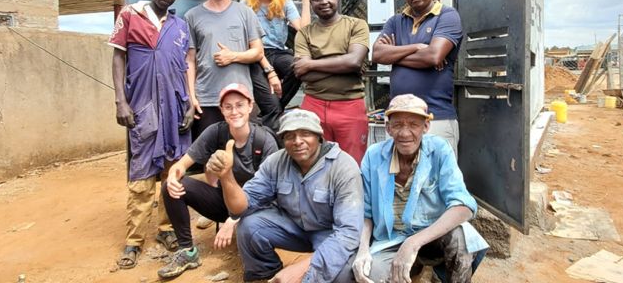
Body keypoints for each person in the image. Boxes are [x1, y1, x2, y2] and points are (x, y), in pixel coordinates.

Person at [345, 94, 488, 283]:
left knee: (460, 237)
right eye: (397, 125)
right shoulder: (373, 156)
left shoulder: (440, 150)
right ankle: (412, 268)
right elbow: (366, 213)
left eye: (413, 124)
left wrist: (413, 242)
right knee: (369, 276)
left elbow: (463, 206)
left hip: (432, 238)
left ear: (425, 127)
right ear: (388, 128)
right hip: (390, 241)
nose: (405, 133)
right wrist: (363, 250)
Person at [210, 109, 364, 282]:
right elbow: (240, 208)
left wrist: (302, 268)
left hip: (329, 234)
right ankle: (264, 274)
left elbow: (348, 233)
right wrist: (226, 176)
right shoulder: (276, 162)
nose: (297, 141)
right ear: (283, 140)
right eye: (290, 136)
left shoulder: (344, 167)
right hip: (294, 228)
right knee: (249, 226)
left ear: (319, 137)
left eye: (305, 134)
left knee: (342, 275)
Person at [109, 0, 195, 269]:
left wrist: (188, 104)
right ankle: (134, 240)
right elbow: (118, 57)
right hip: (143, 107)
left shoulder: (179, 25)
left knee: (174, 172)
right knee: (141, 174)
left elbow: (185, 66)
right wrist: (121, 100)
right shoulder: (131, 16)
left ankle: (166, 230)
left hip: (175, 107)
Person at [157, 83, 279, 279]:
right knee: (173, 186)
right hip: (225, 202)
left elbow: (270, 193)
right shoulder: (216, 132)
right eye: (228, 107)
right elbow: (182, 164)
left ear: (250, 107)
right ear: (221, 110)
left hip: (258, 209)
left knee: (254, 229)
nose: (234, 111)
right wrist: (173, 176)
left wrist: (234, 220)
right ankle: (187, 250)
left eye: (240, 105)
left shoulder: (265, 141)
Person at [185, 0, 265, 200]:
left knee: (245, 149)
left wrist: (233, 56)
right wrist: (192, 96)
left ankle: (246, 201)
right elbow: (190, 60)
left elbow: (258, 52)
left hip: (240, 97)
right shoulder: (192, 16)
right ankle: (214, 202)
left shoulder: (244, 12)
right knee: (211, 152)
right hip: (207, 96)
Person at [371, 0, 464, 159]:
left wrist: (395, 56)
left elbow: (433, 57)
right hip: (399, 118)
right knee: (403, 181)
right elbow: (378, 55)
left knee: (438, 182)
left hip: (435, 117)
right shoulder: (395, 21)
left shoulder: (447, 16)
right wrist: (417, 47)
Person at [293, 0, 370, 164]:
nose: (324, 2)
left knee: (352, 165)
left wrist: (312, 63)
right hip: (313, 106)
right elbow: (303, 74)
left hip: (350, 106)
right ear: (311, 2)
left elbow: (353, 61)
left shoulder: (356, 25)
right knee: (313, 164)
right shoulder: (304, 33)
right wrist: (345, 65)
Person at [241, 0, 312, 125]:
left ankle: (272, 109)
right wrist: (270, 72)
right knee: (271, 107)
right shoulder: (244, 7)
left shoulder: (284, 1)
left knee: (298, 67)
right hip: (256, 56)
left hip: (279, 52)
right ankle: (272, 111)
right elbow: (252, 46)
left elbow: (303, 29)